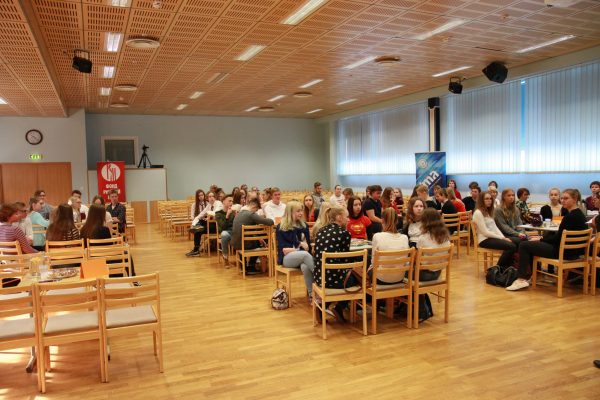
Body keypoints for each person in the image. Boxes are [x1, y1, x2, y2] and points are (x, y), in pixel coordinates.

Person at [507, 189, 589, 291]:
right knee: (531, 244)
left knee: (524, 245)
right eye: (562, 198)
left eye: (566, 198)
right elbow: (559, 237)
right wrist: (540, 239)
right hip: (575, 253)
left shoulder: (569, 217)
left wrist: (541, 239)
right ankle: (532, 275)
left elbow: (558, 238)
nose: (563, 201)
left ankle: (521, 279)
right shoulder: (580, 215)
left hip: (563, 252)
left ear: (575, 199)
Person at [312, 206, 353, 321]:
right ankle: (340, 307)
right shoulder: (344, 233)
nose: (348, 219)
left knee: (350, 274)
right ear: (339, 217)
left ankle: (323, 305)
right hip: (333, 280)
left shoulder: (321, 230)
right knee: (359, 278)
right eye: (346, 217)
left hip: (319, 277)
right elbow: (345, 262)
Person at [276, 201, 314, 300]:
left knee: (305, 266)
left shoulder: (304, 225)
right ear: (290, 212)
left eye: (301, 211)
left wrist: (294, 249)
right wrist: (300, 244)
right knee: (304, 254)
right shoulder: (281, 227)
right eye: (298, 211)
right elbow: (284, 249)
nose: (301, 213)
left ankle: (313, 295)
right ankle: (322, 277)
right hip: (287, 259)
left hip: (302, 257)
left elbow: (308, 247)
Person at [472, 191, 518, 268]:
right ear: (481, 200)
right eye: (486, 199)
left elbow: (495, 227)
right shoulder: (478, 213)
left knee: (518, 241)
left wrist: (503, 237)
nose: (489, 201)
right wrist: (502, 238)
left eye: (490, 199)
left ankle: (510, 267)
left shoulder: (488, 211)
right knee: (511, 246)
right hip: (484, 240)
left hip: (492, 237)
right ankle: (498, 268)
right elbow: (485, 232)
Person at [231, 198, 274, 274]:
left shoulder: (239, 213)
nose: (256, 212)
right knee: (261, 243)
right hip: (244, 244)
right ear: (254, 206)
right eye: (256, 210)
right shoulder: (250, 214)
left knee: (254, 240)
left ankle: (244, 266)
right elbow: (270, 222)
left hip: (235, 243)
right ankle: (251, 266)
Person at [370, 208, 409, 284]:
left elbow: (374, 263)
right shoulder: (405, 238)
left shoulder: (377, 236)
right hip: (399, 278)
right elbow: (406, 263)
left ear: (382, 220)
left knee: (365, 270)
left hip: (381, 279)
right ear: (396, 221)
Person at [417, 208, 451, 281]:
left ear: (424, 222)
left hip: (424, 274)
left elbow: (417, 258)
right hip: (438, 272)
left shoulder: (423, 238)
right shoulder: (446, 237)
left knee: (403, 271)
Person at [186, 191, 223, 257]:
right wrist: (194, 223)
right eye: (210, 197)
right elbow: (201, 214)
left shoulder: (218, 203)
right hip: (211, 225)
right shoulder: (209, 205)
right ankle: (196, 249)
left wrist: (208, 215)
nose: (211, 198)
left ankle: (196, 250)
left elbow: (214, 213)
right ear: (208, 198)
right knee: (199, 223)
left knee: (198, 229)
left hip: (218, 227)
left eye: (213, 196)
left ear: (215, 197)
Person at [215, 195, 236, 263]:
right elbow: (223, 227)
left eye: (232, 201)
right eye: (229, 201)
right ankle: (225, 256)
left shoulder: (233, 212)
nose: (231, 203)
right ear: (223, 201)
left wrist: (237, 216)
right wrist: (227, 215)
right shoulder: (218, 214)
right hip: (226, 232)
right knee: (224, 234)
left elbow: (237, 224)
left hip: (234, 231)